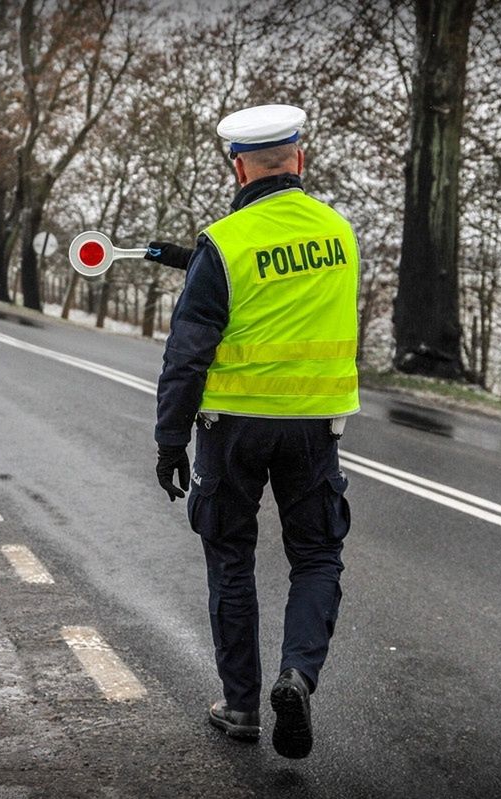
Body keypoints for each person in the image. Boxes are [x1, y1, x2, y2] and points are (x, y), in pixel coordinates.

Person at [152, 103, 359, 759]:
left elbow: (187, 352)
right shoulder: (340, 234)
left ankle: (240, 705)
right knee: (318, 556)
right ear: (299, 158)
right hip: (313, 431)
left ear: (237, 164)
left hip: (233, 430)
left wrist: (168, 439)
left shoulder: (226, 243)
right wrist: (199, 261)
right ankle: (297, 674)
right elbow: (288, 285)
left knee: (230, 557)